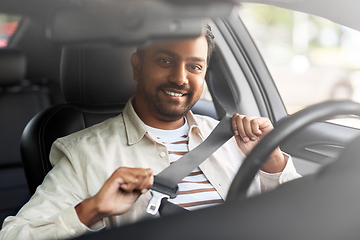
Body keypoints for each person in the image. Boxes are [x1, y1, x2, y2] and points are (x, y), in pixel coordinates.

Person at [0, 25, 300, 240]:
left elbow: (304, 214)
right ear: (137, 66)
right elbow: (14, 234)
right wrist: (91, 210)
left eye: (194, 67)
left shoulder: (236, 136)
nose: (180, 78)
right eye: (165, 61)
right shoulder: (84, 152)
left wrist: (273, 163)